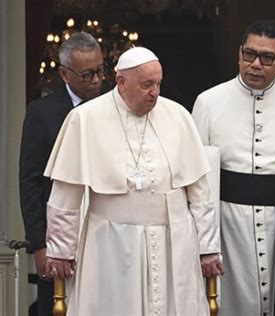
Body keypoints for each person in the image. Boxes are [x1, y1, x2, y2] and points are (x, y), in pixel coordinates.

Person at [43, 47, 224, 315]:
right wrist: (60, 251)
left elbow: (199, 193)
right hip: (113, 244)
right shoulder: (85, 118)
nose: (155, 92)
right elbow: (66, 193)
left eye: (158, 83)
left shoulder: (178, 116)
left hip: (172, 243)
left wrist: (208, 249)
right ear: (121, 82)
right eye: (146, 85)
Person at [192, 19, 275, 316]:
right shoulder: (208, 102)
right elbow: (196, 174)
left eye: (267, 58)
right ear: (239, 54)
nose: (255, 64)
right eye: (249, 54)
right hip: (226, 221)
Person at [19, 31, 104, 316]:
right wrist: (39, 245)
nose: (96, 80)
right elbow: (31, 182)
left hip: (105, 231)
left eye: (101, 70)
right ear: (65, 74)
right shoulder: (42, 113)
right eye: (87, 74)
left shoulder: (115, 109)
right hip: (58, 237)